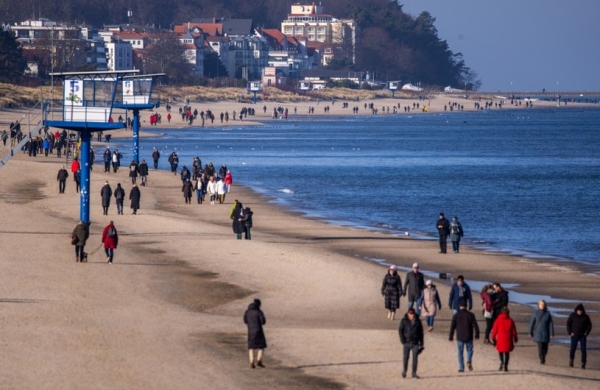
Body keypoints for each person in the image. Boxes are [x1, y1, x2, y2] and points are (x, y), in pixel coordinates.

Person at [449, 300, 480, 372]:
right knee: (469, 350)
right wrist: (477, 334)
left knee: (460, 352)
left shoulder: (456, 315)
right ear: (466, 307)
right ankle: (468, 360)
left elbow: (452, 326)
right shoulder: (471, 315)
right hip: (469, 335)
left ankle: (461, 367)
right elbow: (475, 325)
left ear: (459, 307)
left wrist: (451, 336)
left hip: (460, 336)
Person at [399, 308, 424, 379]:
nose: (411, 315)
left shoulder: (418, 321)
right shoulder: (404, 321)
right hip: (406, 342)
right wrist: (402, 340)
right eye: (410, 313)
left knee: (415, 358)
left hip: (415, 343)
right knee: (406, 358)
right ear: (408, 313)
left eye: (412, 313)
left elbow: (421, 333)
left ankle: (414, 373)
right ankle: (404, 371)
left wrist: (421, 343)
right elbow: (400, 330)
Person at [491, 307, 518, 372]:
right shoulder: (510, 321)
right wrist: (515, 338)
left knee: (500, 352)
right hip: (508, 338)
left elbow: (494, 331)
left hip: (500, 339)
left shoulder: (497, 320)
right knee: (507, 353)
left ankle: (502, 363)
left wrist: (493, 338)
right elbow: (514, 331)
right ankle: (505, 365)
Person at [528, 300, 554, 365]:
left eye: (543, 304)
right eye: (541, 304)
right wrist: (530, 332)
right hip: (538, 333)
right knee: (540, 347)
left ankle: (544, 355)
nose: (542, 306)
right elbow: (532, 323)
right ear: (538, 305)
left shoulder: (548, 314)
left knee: (545, 348)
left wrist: (552, 333)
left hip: (546, 333)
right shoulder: (536, 313)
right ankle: (542, 359)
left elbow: (551, 324)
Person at [566, 303, 592, 369]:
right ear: (576, 310)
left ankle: (583, 363)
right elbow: (568, 324)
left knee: (583, 350)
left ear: (583, 311)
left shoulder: (586, 317)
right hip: (574, 335)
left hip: (582, 336)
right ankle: (571, 360)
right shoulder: (572, 315)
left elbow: (589, 325)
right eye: (578, 311)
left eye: (580, 311)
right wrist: (570, 332)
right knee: (573, 349)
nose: (579, 312)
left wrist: (586, 333)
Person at [244, 298, 267, 369]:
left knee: (251, 347)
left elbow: (245, 321)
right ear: (259, 305)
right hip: (258, 330)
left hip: (250, 331)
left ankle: (251, 362)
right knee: (261, 346)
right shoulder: (259, 311)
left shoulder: (247, 311)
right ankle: (259, 360)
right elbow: (263, 321)